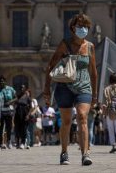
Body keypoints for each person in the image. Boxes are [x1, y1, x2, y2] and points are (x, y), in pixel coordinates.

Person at [43, 13, 98, 166]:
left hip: (84, 87)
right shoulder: (64, 44)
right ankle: (64, 152)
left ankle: (85, 154)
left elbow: (93, 73)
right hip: (64, 87)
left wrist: (94, 95)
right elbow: (50, 65)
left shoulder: (90, 47)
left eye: (86, 27)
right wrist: (47, 89)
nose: (84, 29)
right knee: (66, 122)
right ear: (73, 28)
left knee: (82, 117)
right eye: (81, 26)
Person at [0, 75, 16, 149]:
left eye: (2, 81)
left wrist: (10, 102)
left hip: (9, 110)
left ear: (5, 81)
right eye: (0, 81)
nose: (1, 82)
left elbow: (16, 98)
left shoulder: (10, 89)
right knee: (0, 127)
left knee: (9, 127)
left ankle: (9, 141)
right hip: (0, 111)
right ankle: (0, 143)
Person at [14, 85, 31, 149]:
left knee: (24, 129)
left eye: (23, 88)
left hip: (24, 113)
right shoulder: (18, 96)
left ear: (25, 89)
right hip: (18, 113)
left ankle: (23, 143)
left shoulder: (28, 97)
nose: (21, 89)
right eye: (20, 87)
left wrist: (28, 115)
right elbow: (14, 103)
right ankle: (17, 143)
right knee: (17, 129)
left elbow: (31, 107)